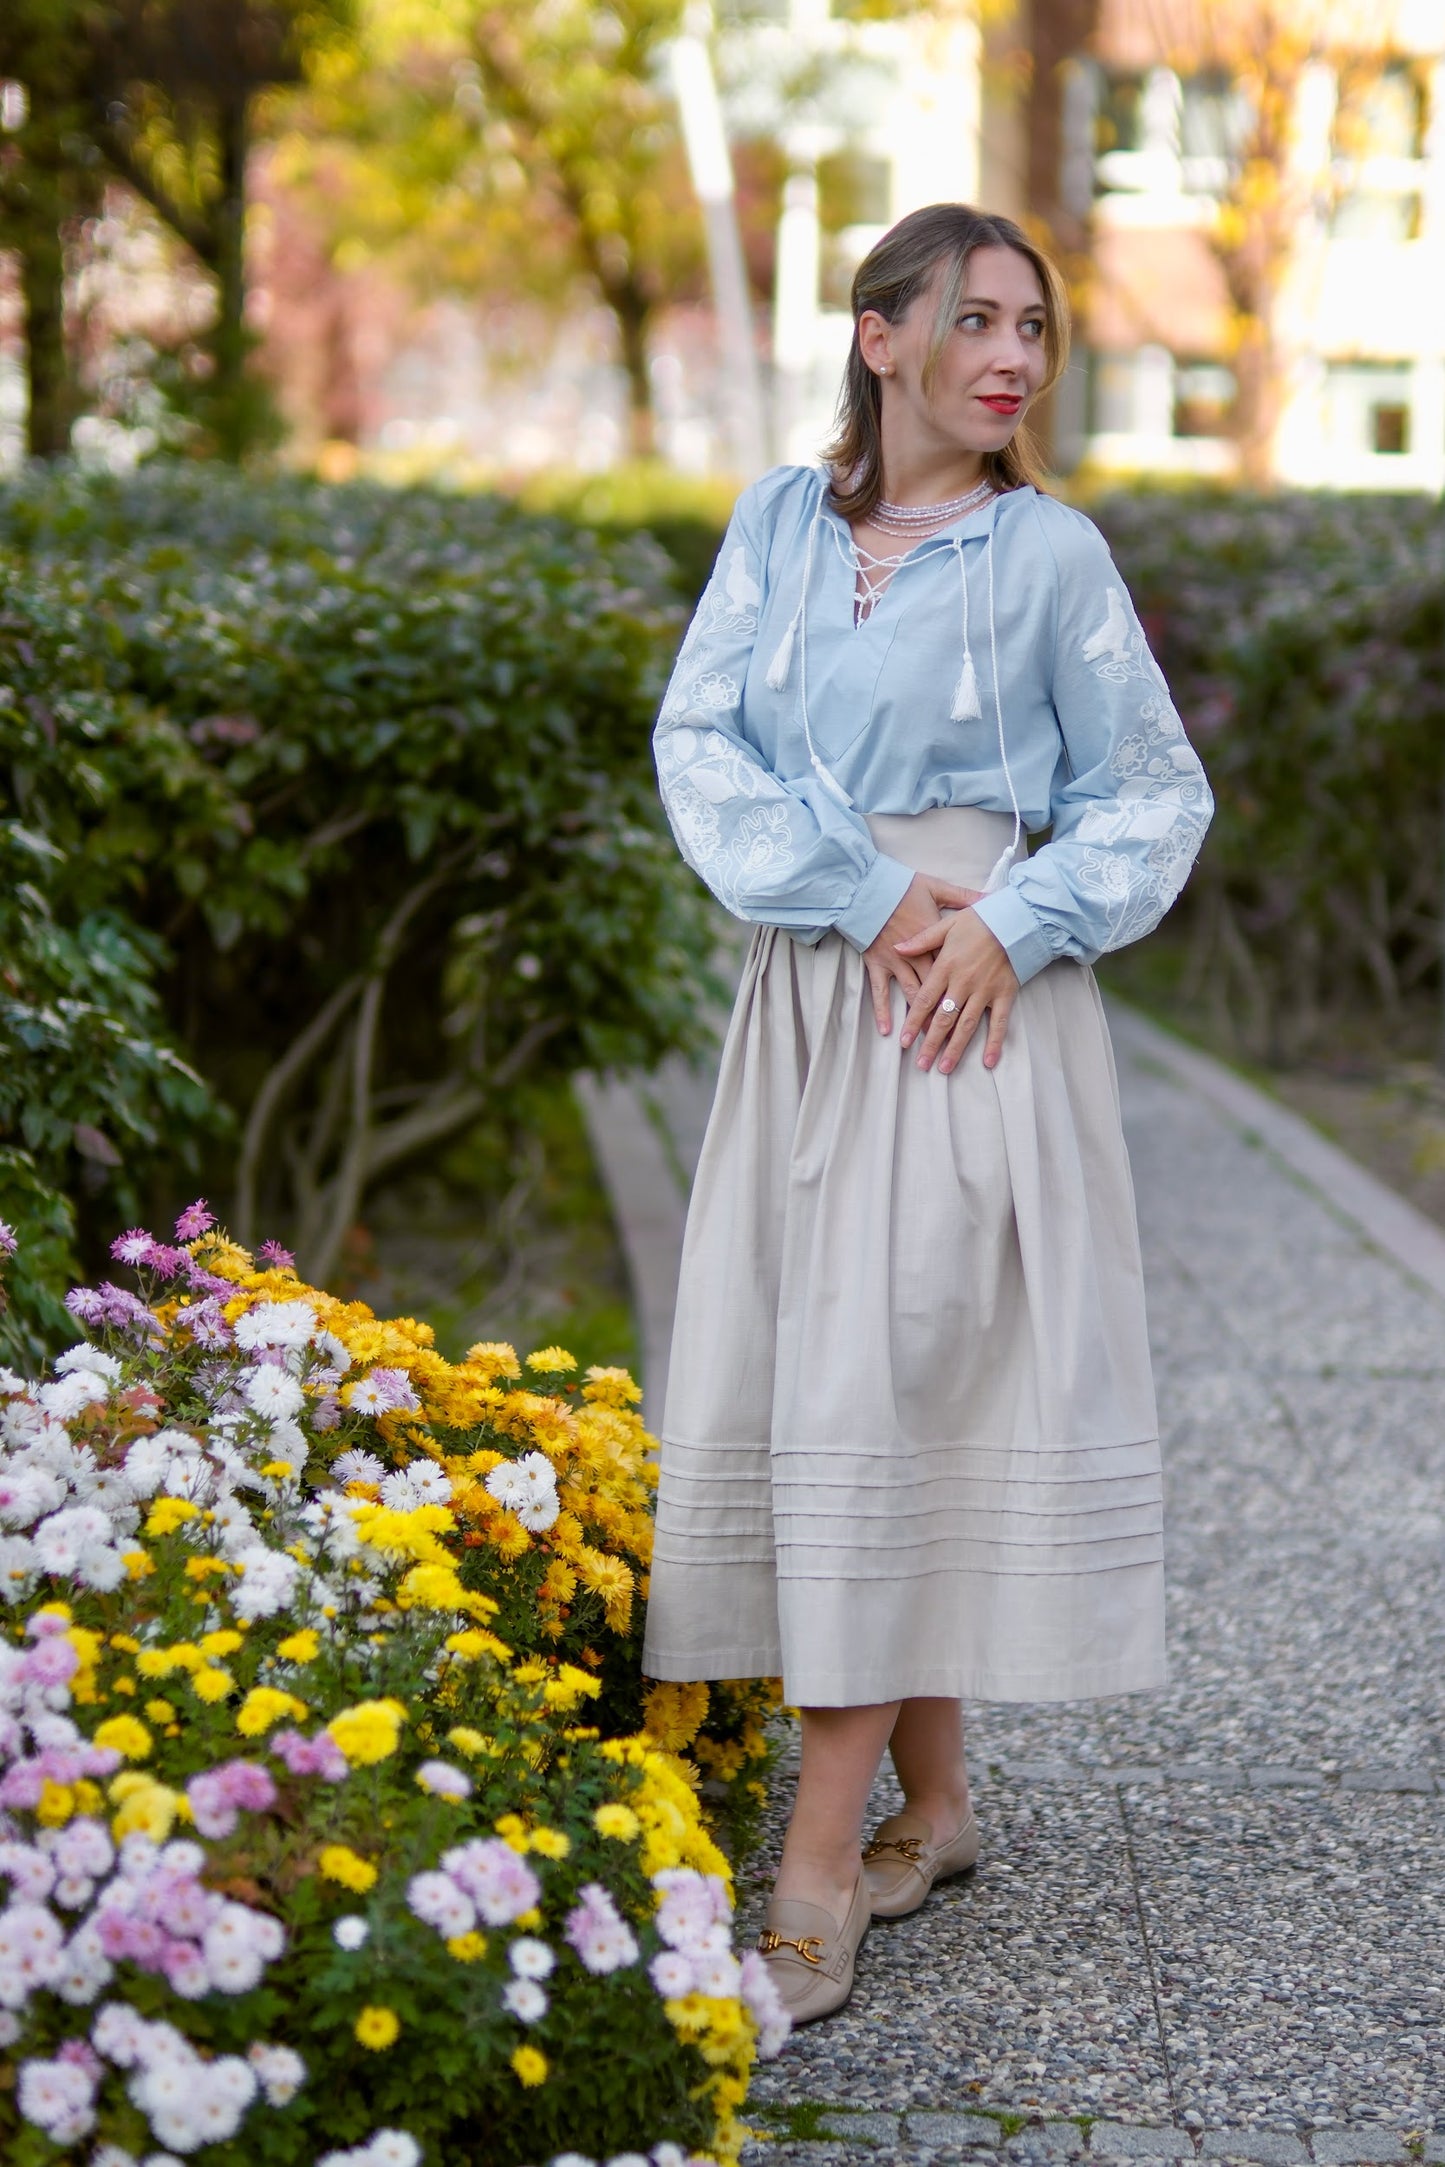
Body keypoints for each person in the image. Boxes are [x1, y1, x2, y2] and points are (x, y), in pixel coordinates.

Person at [640, 203, 1213, 2024]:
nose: (1011, 358)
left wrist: (1015, 921)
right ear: (876, 335)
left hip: (974, 1014)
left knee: (891, 1381)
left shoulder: (1051, 557)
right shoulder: (773, 523)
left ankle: (817, 1868)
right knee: (855, 1385)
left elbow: (1150, 796)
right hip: (820, 993)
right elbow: (697, 738)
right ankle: (937, 1804)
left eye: (1034, 329)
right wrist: (855, 896)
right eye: (973, 320)